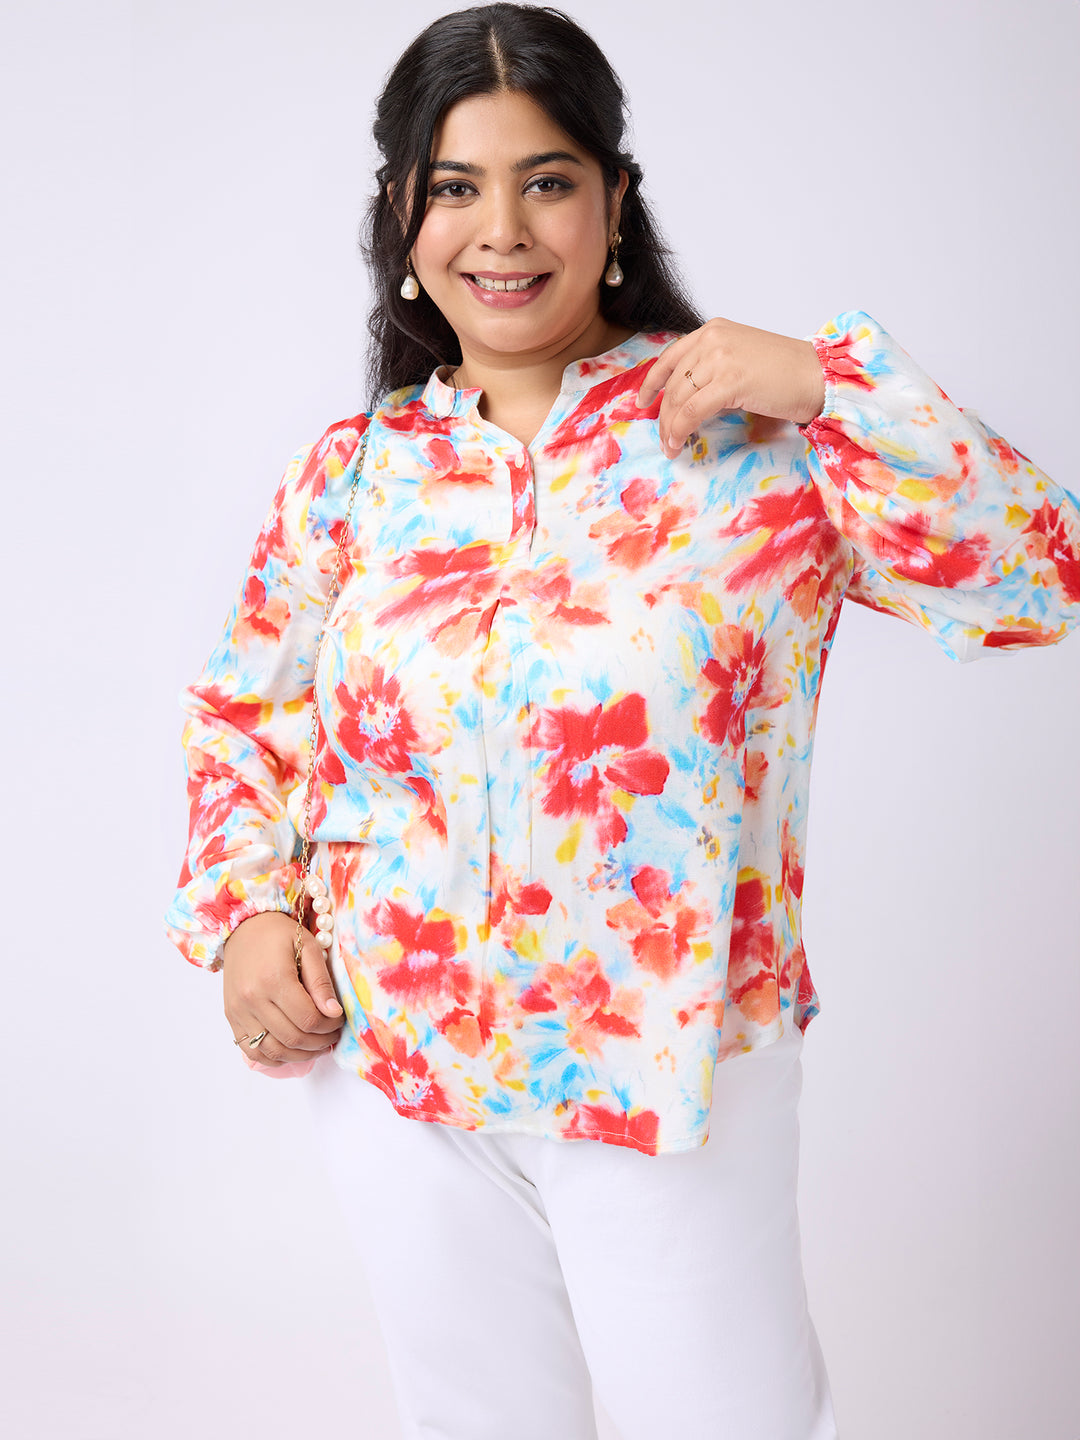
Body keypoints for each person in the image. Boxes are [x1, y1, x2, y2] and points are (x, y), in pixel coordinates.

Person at [164, 5, 1080, 1438]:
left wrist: (831, 386)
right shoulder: (352, 475)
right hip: (401, 1068)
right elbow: (244, 716)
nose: (502, 231)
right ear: (401, 216)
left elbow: (1039, 578)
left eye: (547, 180)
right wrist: (246, 919)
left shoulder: (759, 448)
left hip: (676, 1059)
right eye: (455, 186)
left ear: (614, 200)